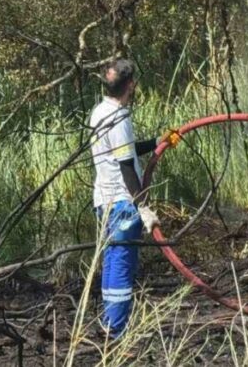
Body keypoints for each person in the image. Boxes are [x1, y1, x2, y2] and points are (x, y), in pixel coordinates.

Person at [90, 58, 179, 339]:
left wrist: (157, 142)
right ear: (131, 85)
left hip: (106, 201)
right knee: (121, 265)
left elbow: (123, 149)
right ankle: (116, 331)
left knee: (113, 260)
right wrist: (142, 207)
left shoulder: (101, 111)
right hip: (120, 203)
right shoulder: (118, 117)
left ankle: (109, 324)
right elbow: (126, 165)